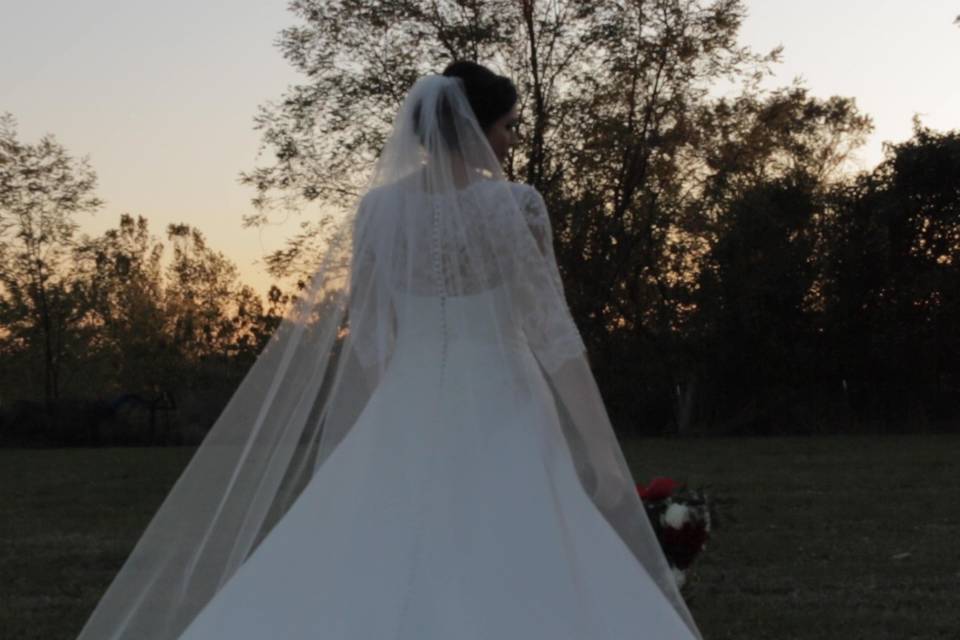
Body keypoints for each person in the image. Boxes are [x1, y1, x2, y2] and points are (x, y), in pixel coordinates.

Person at [76, 61, 704, 640]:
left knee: (392, 541)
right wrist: (598, 448)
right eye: (507, 127)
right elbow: (552, 333)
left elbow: (371, 339)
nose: (511, 141)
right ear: (473, 129)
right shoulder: (516, 205)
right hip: (503, 400)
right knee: (515, 542)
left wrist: (372, 425)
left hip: (406, 403)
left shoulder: (378, 212)